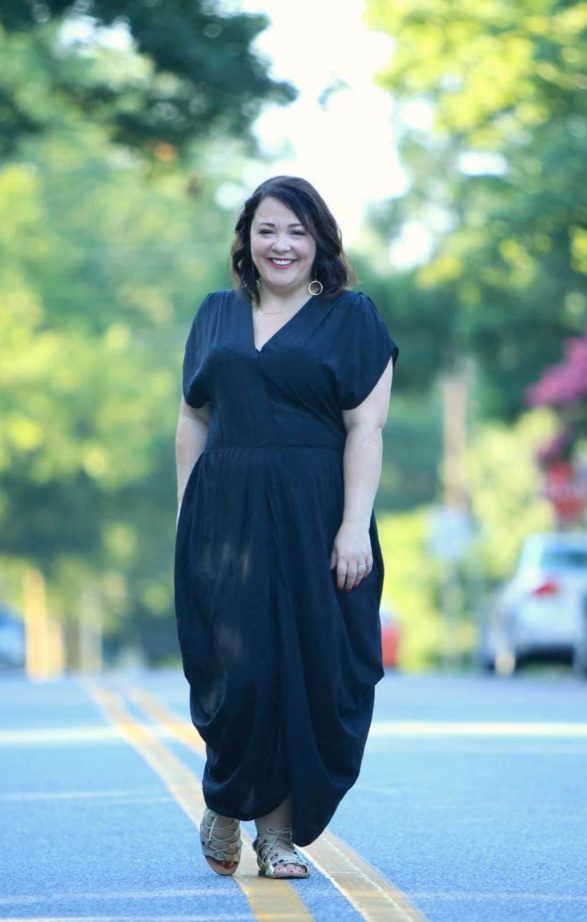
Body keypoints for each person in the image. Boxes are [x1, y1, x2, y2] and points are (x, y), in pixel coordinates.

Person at [174, 176, 398, 880]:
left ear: (320, 242)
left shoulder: (352, 317)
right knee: (239, 675)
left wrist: (353, 527)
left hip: (315, 517)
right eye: (268, 229)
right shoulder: (215, 314)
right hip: (227, 518)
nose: (282, 244)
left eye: (297, 231)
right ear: (246, 238)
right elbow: (193, 416)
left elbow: (367, 428)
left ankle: (277, 835)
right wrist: (189, 513)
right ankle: (225, 799)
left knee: (306, 675)